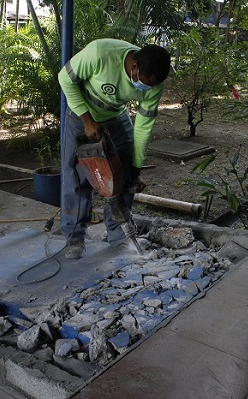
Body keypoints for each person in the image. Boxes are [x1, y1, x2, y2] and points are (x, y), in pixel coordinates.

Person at [57, 38, 171, 259]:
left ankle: (119, 235)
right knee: (76, 176)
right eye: (145, 84)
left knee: (125, 172)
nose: (147, 89)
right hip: (81, 113)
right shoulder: (101, 53)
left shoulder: (154, 84)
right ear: (134, 67)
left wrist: (136, 170)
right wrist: (87, 120)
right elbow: (64, 78)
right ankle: (74, 237)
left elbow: (143, 127)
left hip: (116, 116)